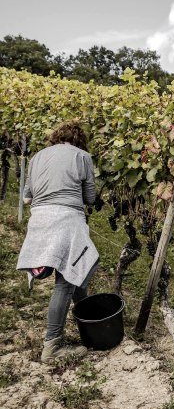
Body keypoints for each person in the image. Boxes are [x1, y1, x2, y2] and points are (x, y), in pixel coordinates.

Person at [17, 120, 99, 363]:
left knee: (75, 275)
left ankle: (88, 318)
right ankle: (52, 346)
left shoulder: (37, 157)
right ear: (79, 140)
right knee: (66, 281)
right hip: (67, 221)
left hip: (40, 220)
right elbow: (90, 198)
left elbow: (27, 198)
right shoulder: (82, 156)